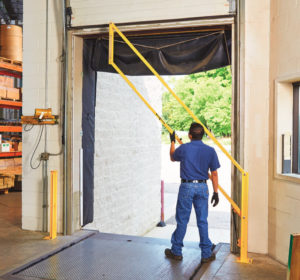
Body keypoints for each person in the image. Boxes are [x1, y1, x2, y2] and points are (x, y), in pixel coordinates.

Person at [164, 122, 220, 263]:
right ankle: (206, 254)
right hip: (202, 187)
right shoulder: (210, 151)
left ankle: (176, 251)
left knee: (182, 220)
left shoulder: (184, 148)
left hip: (187, 187)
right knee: (202, 220)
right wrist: (216, 192)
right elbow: (214, 174)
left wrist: (172, 141)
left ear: (189, 135)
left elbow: (172, 157)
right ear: (202, 135)